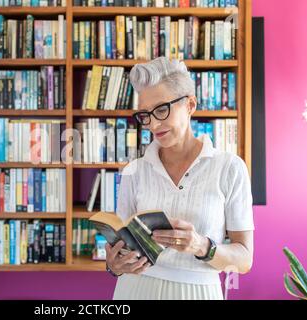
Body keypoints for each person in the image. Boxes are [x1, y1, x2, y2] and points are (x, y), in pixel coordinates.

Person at [105, 57, 254, 300]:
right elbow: (122, 247)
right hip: (134, 290)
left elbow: (245, 260)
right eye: (145, 115)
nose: (153, 124)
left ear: (190, 104)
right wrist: (114, 265)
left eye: (162, 110)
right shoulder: (134, 171)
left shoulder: (230, 168)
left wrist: (200, 245)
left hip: (198, 292)